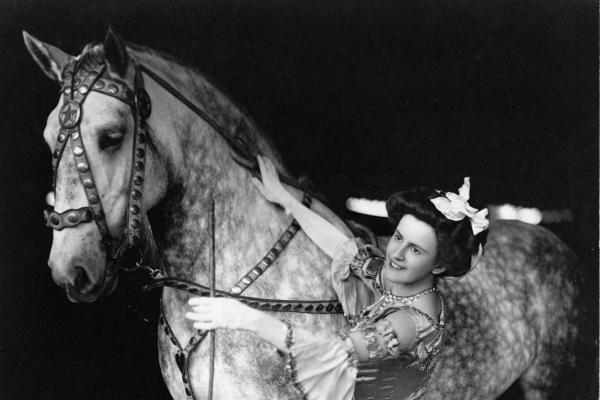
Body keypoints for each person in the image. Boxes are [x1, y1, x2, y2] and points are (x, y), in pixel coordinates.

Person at [186, 155, 489, 400]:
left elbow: (333, 353)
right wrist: (287, 201)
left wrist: (244, 318)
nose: (396, 253)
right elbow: (344, 249)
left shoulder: (410, 322)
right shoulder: (403, 285)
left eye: (416, 250)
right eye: (397, 237)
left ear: (438, 266)